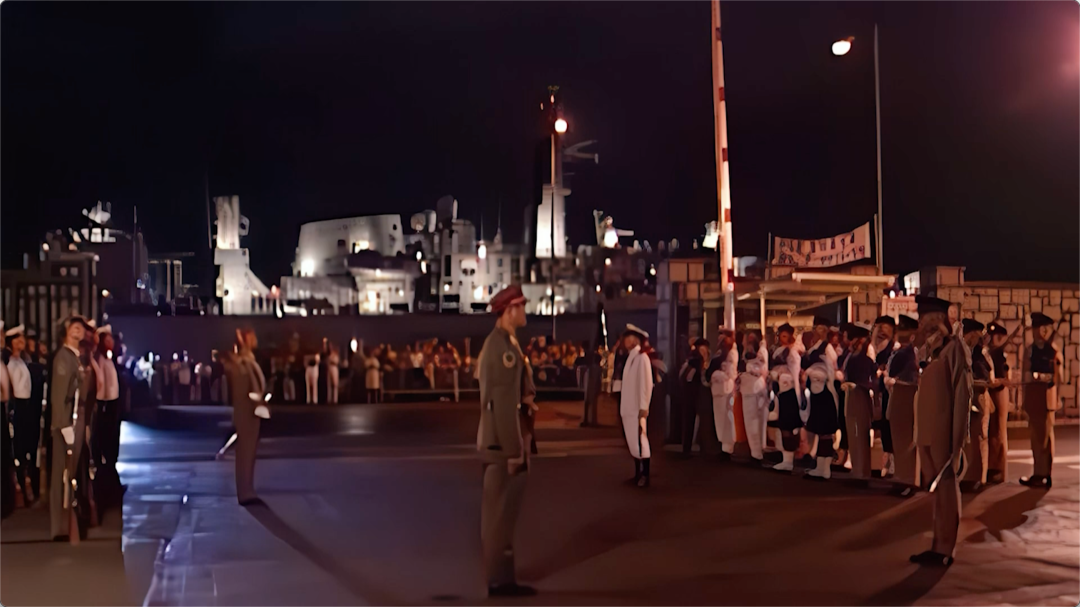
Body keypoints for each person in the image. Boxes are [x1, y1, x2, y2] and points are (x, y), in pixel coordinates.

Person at [476, 285, 536, 597]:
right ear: (510, 311)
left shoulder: (506, 343)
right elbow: (501, 403)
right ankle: (499, 581)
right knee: (499, 516)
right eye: (521, 306)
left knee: (503, 515)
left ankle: (503, 577)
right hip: (502, 445)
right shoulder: (502, 349)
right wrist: (514, 450)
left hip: (502, 441)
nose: (525, 311)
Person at [910, 295, 971, 568]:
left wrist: (957, 442)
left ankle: (946, 547)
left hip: (944, 433)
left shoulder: (955, 349)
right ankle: (937, 544)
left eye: (930, 320)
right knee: (937, 492)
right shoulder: (930, 349)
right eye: (923, 321)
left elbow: (962, 396)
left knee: (947, 488)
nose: (925, 325)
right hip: (928, 430)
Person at [49, 316, 88, 541]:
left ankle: (69, 522)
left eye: (81, 327)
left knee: (70, 474)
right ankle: (59, 527)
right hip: (66, 421)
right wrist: (63, 425)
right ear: (65, 331)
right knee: (61, 475)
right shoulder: (63, 358)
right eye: (75, 327)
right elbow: (59, 395)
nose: (79, 330)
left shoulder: (76, 357)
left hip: (77, 419)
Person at [222, 327, 267, 506]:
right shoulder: (243, 363)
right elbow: (246, 391)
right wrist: (257, 404)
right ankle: (244, 490)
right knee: (245, 453)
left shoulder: (246, 361)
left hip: (248, 413)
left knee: (247, 453)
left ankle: (247, 487)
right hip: (247, 413)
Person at [1019, 312, 1061, 489]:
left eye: (1041, 328)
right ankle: (1042, 473)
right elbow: (1025, 376)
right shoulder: (1032, 350)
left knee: (1043, 438)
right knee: (1039, 438)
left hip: (1044, 398)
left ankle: (1041, 474)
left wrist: (1038, 377)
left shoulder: (1050, 350)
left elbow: (1056, 376)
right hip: (1036, 398)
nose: (1039, 332)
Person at [884, 315, 920, 493]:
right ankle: (902, 477)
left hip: (904, 395)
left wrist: (891, 379)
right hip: (902, 395)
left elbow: (897, 373)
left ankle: (906, 480)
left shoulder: (907, 353)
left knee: (903, 440)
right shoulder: (904, 352)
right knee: (900, 441)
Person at [802, 316, 840, 480]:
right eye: (818, 328)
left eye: (823, 329)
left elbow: (831, 369)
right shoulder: (814, 347)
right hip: (816, 392)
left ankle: (825, 469)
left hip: (825, 393)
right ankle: (819, 466)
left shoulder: (827, 348)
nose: (820, 332)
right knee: (819, 430)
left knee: (825, 431)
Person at [619, 324, 655, 486]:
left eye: (629, 338)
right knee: (633, 442)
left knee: (641, 440)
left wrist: (644, 406)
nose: (626, 341)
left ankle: (645, 475)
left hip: (637, 408)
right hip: (629, 408)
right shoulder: (631, 357)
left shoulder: (642, 358)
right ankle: (637, 473)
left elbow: (645, 384)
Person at [840, 322, 876, 480]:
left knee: (860, 432)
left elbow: (871, 375)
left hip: (860, 393)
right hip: (851, 392)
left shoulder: (867, 354)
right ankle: (856, 468)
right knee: (852, 431)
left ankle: (862, 471)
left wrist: (859, 384)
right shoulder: (851, 354)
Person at [92, 325, 123, 508]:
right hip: (105, 404)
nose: (110, 342)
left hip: (113, 403)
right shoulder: (99, 359)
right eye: (107, 339)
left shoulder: (110, 359)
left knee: (113, 440)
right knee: (106, 439)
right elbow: (101, 384)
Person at [7, 325, 39, 504]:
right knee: (19, 449)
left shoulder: (22, 360)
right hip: (18, 406)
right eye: (17, 338)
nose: (22, 341)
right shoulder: (10, 363)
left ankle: (30, 488)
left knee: (28, 448)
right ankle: (22, 492)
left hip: (27, 407)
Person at [767, 323, 803, 472]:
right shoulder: (776, 350)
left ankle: (789, 459)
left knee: (787, 425)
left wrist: (797, 393)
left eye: (784, 335)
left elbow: (795, 372)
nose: (782, 338)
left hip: (789, 391)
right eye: (780, 335)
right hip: (779, 391)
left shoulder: (792, 352)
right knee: (781, 425)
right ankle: (785, 458)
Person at [960, 319, 991, 492]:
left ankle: (976, 478)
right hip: (967, 397)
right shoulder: (963, 350)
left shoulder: (976, 353)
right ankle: (970, 475)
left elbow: (984, 377)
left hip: (976, 398)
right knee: (968, 440)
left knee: (977, 437)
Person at [871, 316, 897, 476]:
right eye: (879, 327)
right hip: (875, 391)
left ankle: (890, 462)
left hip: (888, 392)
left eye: (885, 327)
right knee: (878, 426)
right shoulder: (873, 347)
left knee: (888, 426)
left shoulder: (894, 349)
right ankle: (879, 462)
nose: (881, 331)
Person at [984, 322, 1011, 484]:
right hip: (991, 392)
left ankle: (998, 469)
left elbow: (1004, 377)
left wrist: (996, 382)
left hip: (999, 392)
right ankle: (991, 466)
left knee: (998, 432)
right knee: (991, 431)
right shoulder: (989, 352)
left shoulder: (1000, 354)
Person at [738, 332, 770, 465]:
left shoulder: (759, 353)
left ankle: (756, 454)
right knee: (757, 422)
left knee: (753, 422)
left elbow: (760, 369)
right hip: (755, 388)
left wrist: (745, 369)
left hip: (753, 389)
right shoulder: (753, 352)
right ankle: (758, 451)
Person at [707, 330, 739, 458]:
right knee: (720, 419)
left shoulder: (730, 353)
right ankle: (724, 447)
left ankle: (728, 448)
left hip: (725, 389)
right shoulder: (721, 352)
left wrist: (716, 374)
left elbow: (730, 373)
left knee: (726, 419)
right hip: (719, 389)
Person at [679, 338, 710, 456]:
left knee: (691, 421)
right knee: (692, 421)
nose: (704, 352)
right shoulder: (695, 362)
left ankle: (688, 447)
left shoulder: (690, 361)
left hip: (691, 395)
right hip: (693, 395)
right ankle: (691, 448)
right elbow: (689, 378)